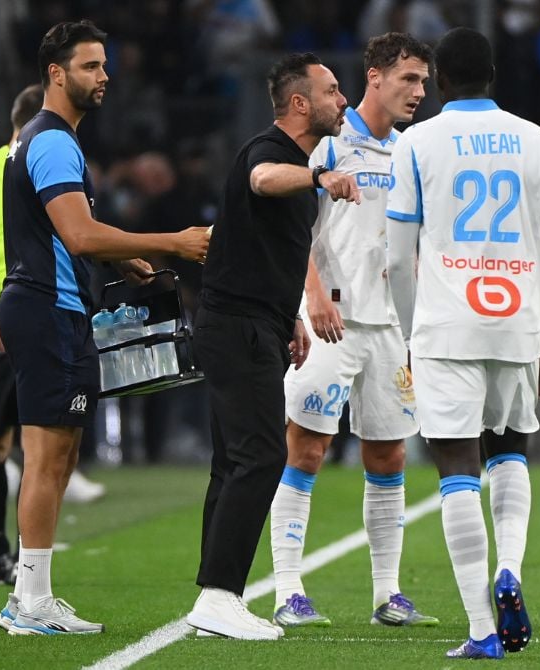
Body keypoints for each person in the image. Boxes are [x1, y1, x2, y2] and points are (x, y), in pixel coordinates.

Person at [0, 19, 208, 636]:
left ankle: (31, 593)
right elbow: (78, 234)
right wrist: (173, 242)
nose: (105, 76)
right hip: (45, 304)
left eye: (105, 64)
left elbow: (68, 231)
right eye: (91, 66)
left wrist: (123, 255)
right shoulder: (55, 139)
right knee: (47, 456)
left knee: (58, 455)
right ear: (56, 74)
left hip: (47, 301)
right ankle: (29, 602)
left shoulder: (44, 138)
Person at [385, 27, 540, 660]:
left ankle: (480, 629)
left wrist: (412, 337)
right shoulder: (539, 142)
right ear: (494, 76)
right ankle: (510, 568)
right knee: (510, 453)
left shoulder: (416, 144)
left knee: (457, 470)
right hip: (518, 321)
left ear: (439, 79)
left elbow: (395, 258)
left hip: (446, 324)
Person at [186, 52, 360, 641]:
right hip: (236, 326)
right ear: (299, 103)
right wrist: (318, 176)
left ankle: (215, 593)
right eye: (333, 90)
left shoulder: (293, 160)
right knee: (262, 455)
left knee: (232, 461)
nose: (344, 100)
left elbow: (266, 247)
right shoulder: (273, 153)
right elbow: (262, 180)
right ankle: (220, 595)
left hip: (251, 321)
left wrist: (289, 314)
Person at [268, 32, 437, 629]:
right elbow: (297, 231)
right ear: (375, 76)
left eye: (423, 81)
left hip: (390, 328)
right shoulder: (330, 147)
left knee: (389, 456)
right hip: (330, 322)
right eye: (408, 79)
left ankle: (387, 594)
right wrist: (311, 296)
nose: (419, 91)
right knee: (306, 448)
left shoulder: (416, 151)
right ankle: (288, 588)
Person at [0, 84, 103, 588]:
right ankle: (0, 555)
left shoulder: (57, 161)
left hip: (45, 316)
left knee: (50, 450)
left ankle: (32, 575)